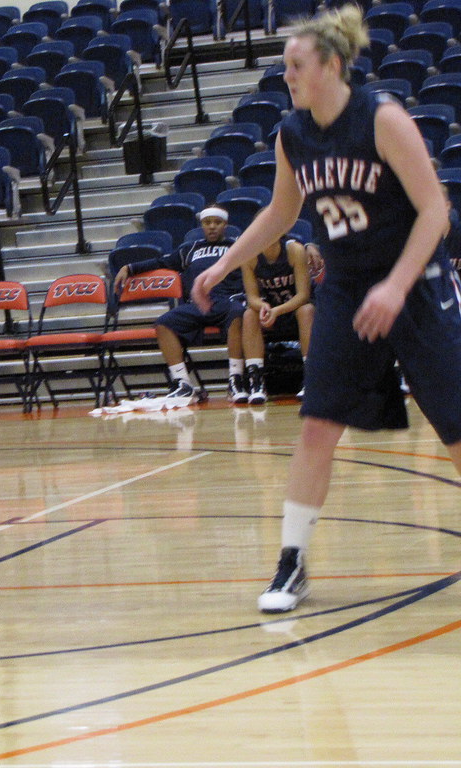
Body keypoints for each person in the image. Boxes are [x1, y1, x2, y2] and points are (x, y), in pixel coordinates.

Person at [190, 6, 461, 613]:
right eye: (284, 66)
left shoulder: (382, 118)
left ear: (333, 65)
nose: (286, 75)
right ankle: (292, 564)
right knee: (316, 426)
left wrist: (394, 286)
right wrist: (225, 262)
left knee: (456, 428)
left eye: (296, 64)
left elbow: (435, 211)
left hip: (413, 283)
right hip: (345, 286)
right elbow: (281, 215)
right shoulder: (293, 133)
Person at [113, 205, 247, 404]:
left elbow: (269, 247)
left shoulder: (238, 246)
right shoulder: (189, 249)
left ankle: (236, 380)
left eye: (217, 223)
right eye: (207, 223)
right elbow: (161, 262)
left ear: (225, 225)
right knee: (164, 323)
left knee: (238, 313)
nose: (212, 227)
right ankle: (182, 383)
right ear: (201, 225)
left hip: (228, 300)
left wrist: (307, 247)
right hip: (197, 303)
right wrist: (130, 267)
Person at [240, 234, 314, 404]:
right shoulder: (249, 255)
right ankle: (256, 380)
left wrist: (277, 311)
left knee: (307, 310)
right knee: (249, 314)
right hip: (269, 313)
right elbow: (252, 298)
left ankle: (311, 377)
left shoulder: (294, 250)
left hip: (293, 310)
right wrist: (263, 306)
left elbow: (303, 295)